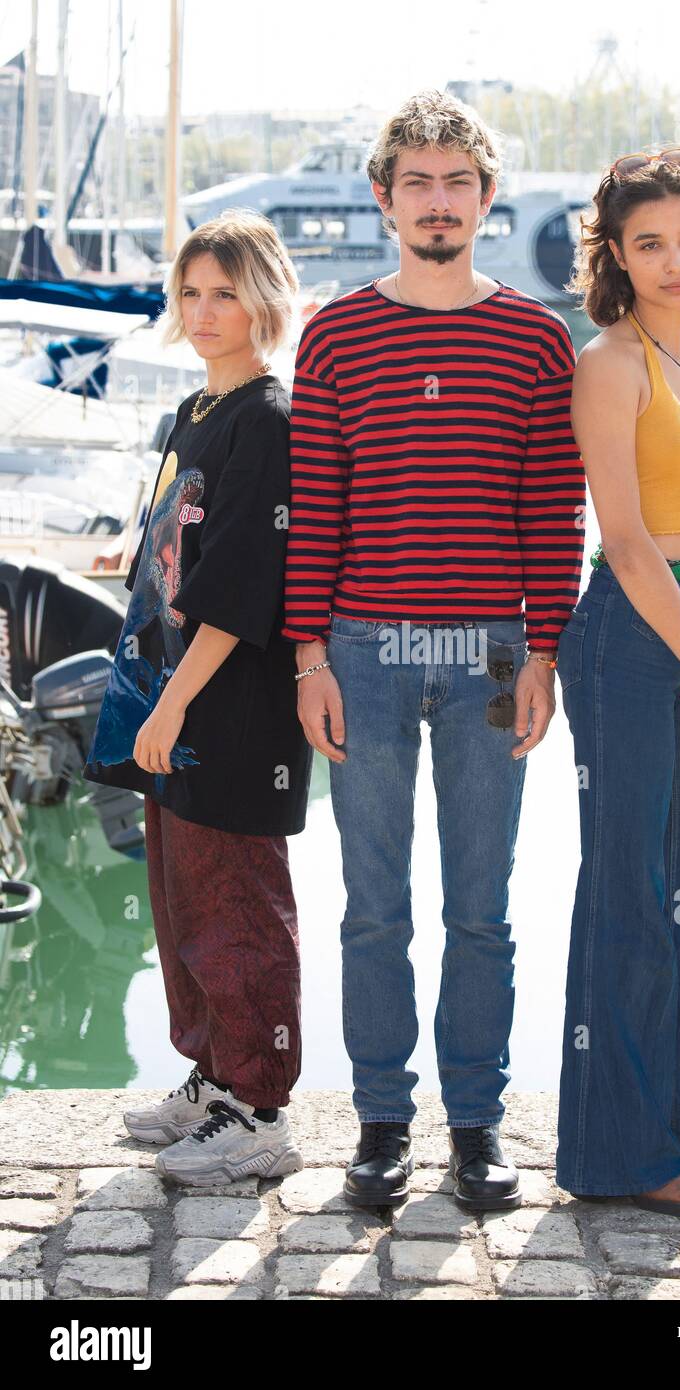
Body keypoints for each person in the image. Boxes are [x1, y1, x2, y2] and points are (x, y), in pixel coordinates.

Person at [282, 89, 585, 1211]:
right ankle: (378, 1122)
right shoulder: (335, 333)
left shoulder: (535, 337)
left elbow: (553, 513)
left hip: (494, 654)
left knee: (480, 905)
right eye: (417, 180)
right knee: (371, 904)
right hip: (358, 647)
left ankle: (474, 1123)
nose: (439, 200)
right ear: (383, 197)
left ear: (487, 199)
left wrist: (542, 652)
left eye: (458, 181)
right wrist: (307, 655)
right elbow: (315, 506)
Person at [84, 210, 313, 1186]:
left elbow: (246, 580)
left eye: (227, 291)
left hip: (226, 708)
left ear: (265, 295)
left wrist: (174, 703)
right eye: (192, 292)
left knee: (239, 905)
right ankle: (212, 1076)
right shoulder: (194, 412)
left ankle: (260, 1106)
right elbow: (181, 543)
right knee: (181, 904)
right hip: (165, 694)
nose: (207, 309)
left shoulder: (268, 418)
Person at [556, 146, 680, 1216]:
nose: (674, 259)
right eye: (649, 243)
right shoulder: (609, 363)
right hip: (632, 647)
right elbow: (628, 544)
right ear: (617, 257)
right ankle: (610, 1155)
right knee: (627, 897)